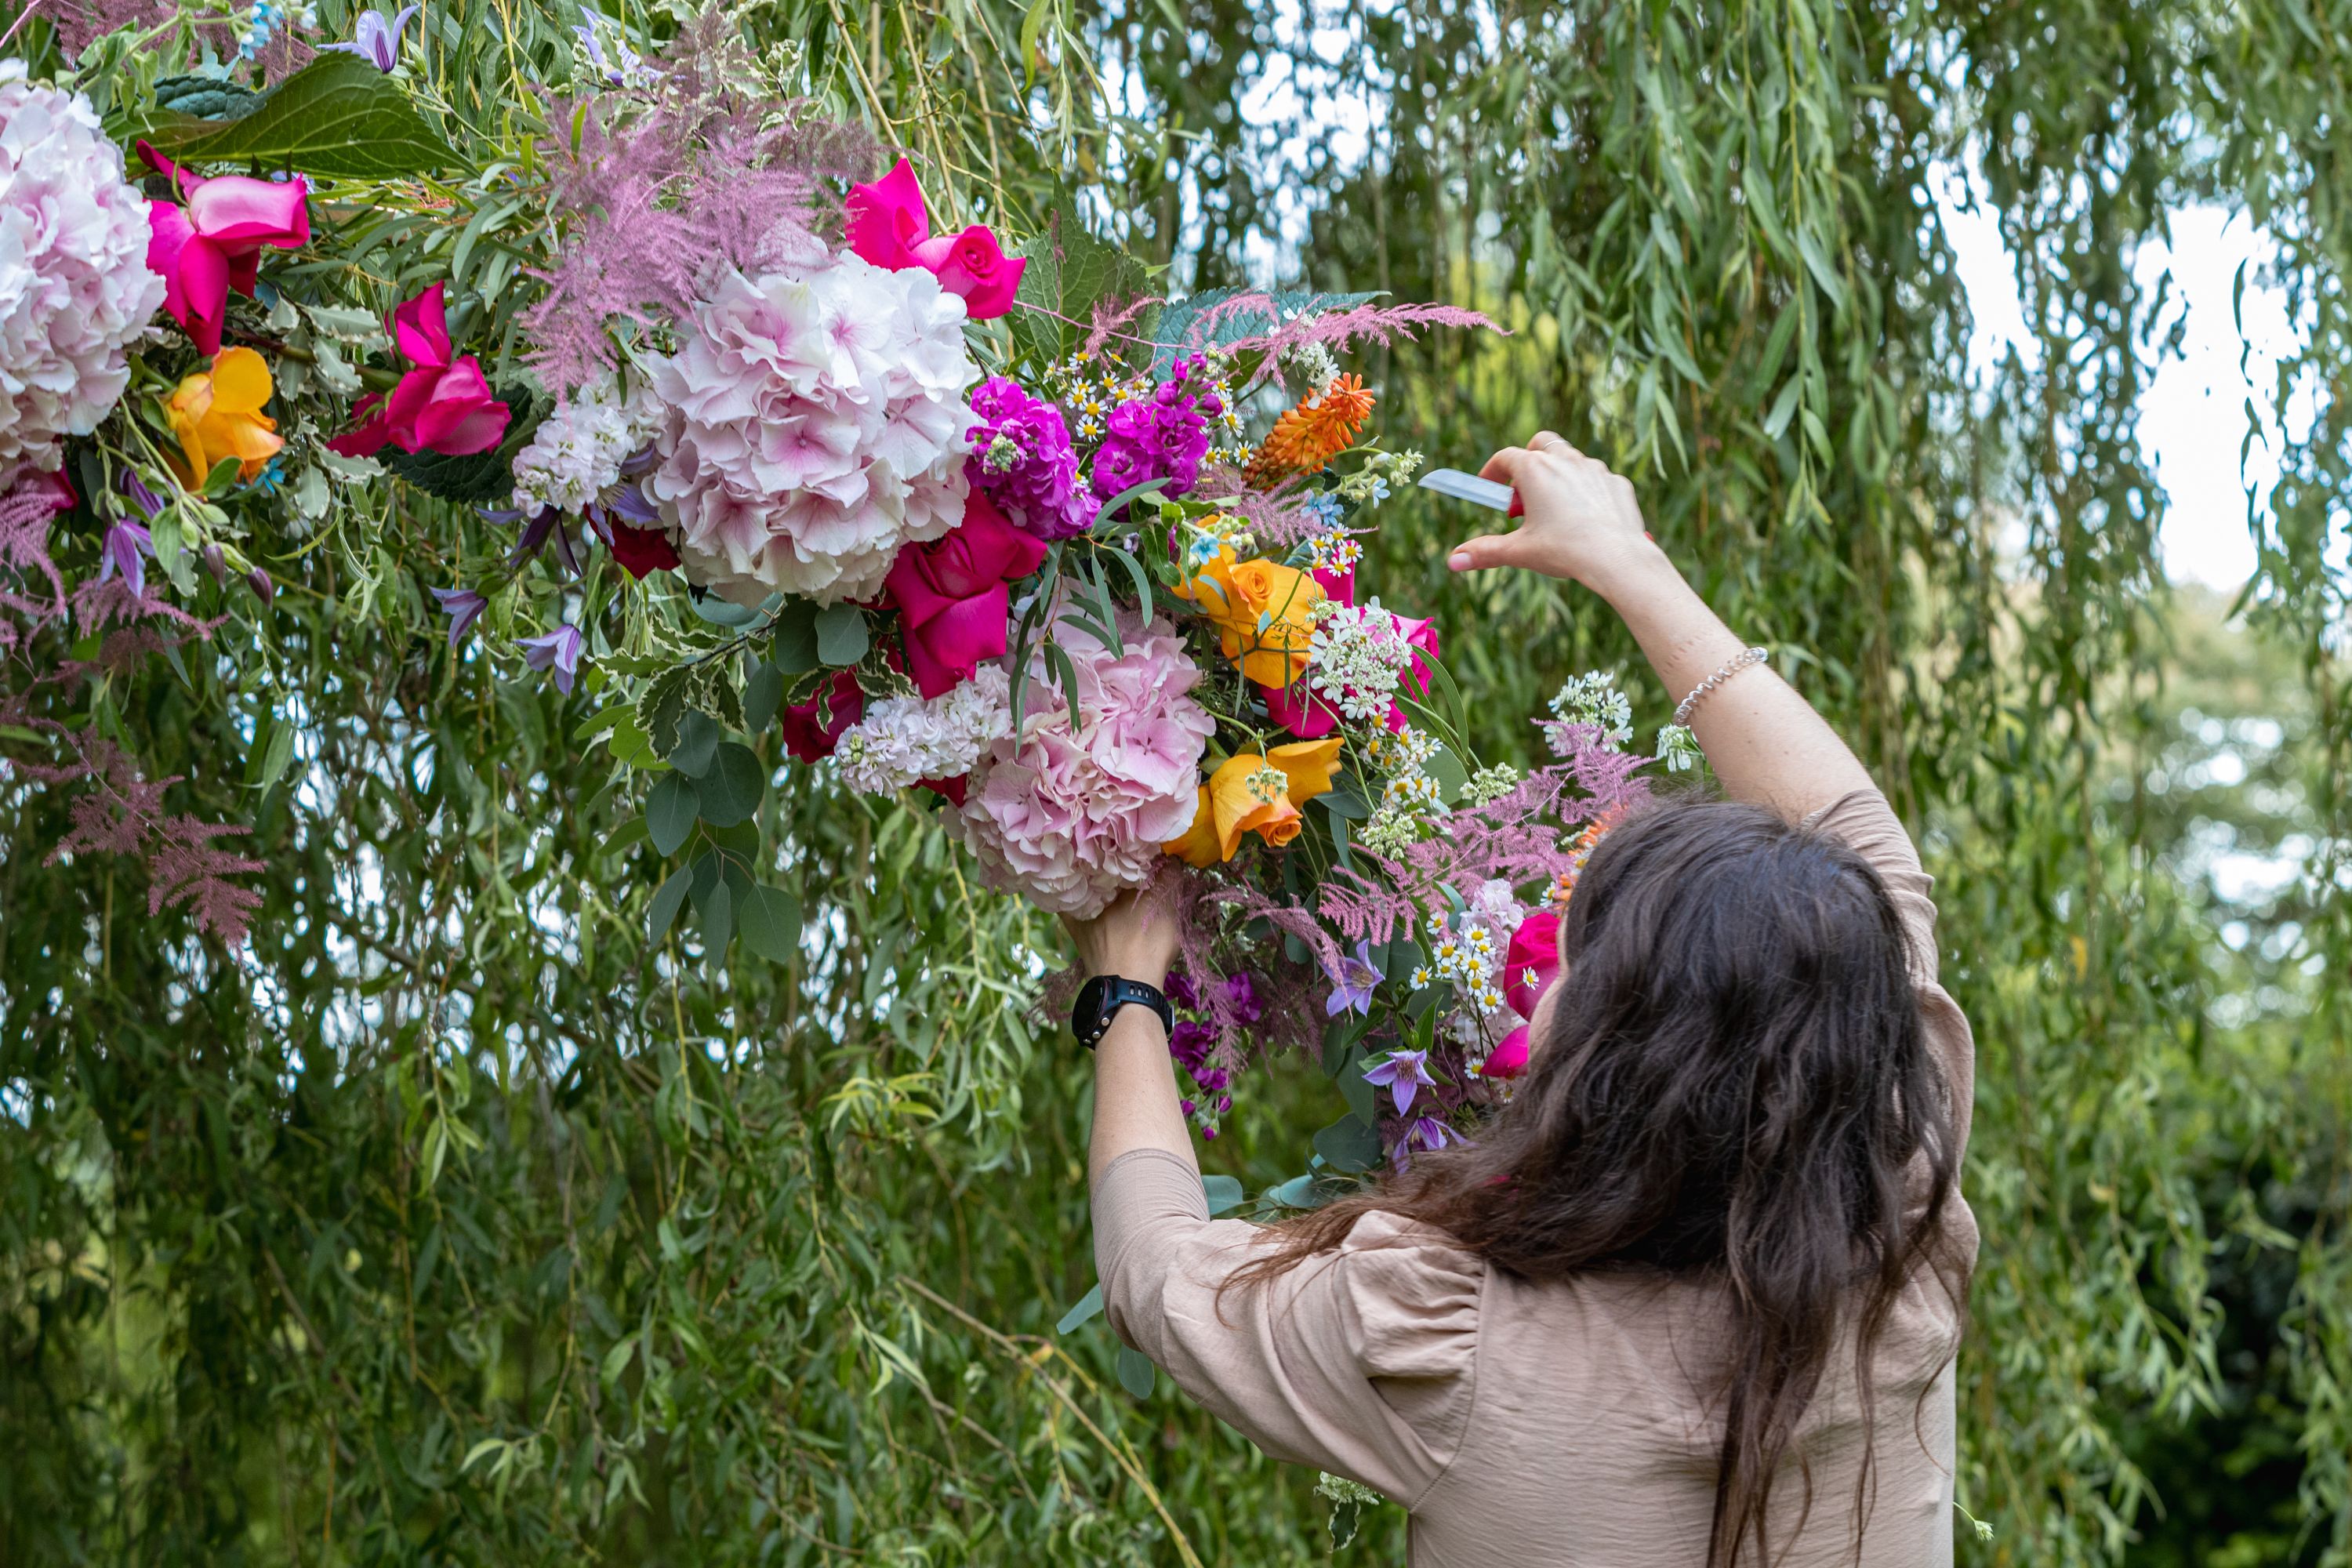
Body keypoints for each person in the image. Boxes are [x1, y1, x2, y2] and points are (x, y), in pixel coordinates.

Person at [1065, 433, 1979, 1567]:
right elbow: (1865, 854)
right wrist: (1626, 561)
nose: (1542, 976)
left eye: (1578, 968)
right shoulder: (1900, 1236)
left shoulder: (1456, 1341)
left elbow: (1157, 1276)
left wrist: (1121, 987)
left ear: (1621, 1066)